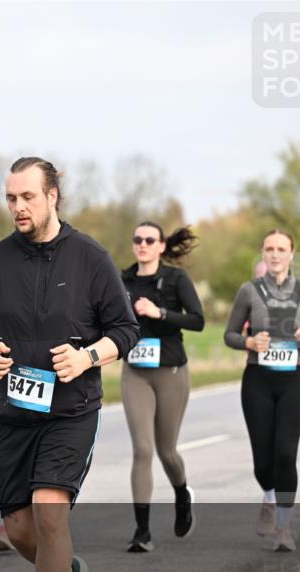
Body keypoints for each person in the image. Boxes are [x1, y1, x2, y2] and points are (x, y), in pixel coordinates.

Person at [0, 157, 139, 572]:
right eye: (11, 198)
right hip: (12, 410)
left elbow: (126, 330)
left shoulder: (90, 257)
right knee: (19, 528)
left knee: (48, 508)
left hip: (71, 409)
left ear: (52, 196)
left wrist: (87, 356)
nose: (18, 207)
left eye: (28, 198)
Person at [224, 229, 300, 552]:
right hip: (257, 380)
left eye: (281, 249)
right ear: (263, 254)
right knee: (263, 462)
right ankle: (268, 496)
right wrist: (249, 342)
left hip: (293, 380)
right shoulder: (249, 291)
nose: (275, 254)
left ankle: (283, 527)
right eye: (269, 249)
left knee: (285, 455)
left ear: (292, 254)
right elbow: (229, 334)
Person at [120, 221, 203, 553]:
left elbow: (198, 320)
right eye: (137, 239)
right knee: (142, 449)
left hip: (170, 370)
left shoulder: (176, 279)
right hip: (135, 371)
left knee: (166, 450)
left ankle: (182, 493)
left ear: (161, 246)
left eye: (149, 240)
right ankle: (142, 531)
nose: (142, 244)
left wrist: (160, 312)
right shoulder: (122, 280)